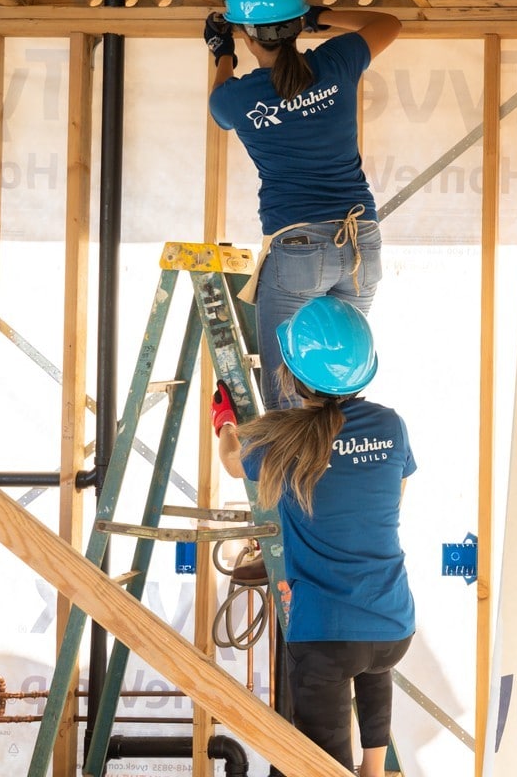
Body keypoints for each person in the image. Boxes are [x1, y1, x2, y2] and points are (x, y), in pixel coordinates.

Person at [211, 296, 415, 777]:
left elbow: (231, 459)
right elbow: (392, 501)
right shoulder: (392, 425)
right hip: (393, 626)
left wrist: (224, 420)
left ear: (294, 375)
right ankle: (374, 770)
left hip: (327, 637)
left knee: (322, 768)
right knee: (373, 671)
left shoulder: (279, 437)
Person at [206, 0, 401, 409]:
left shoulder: (240, 97)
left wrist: (222, 52)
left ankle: (293, 479)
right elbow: (387, 23)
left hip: (300, 250)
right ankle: (343, 469)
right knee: (337, 381)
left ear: (246, 33)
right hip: (359, 242)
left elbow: (218, 101)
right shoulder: (336, 60)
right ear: (295, 25)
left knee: (285, 400)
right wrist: (318, 16)